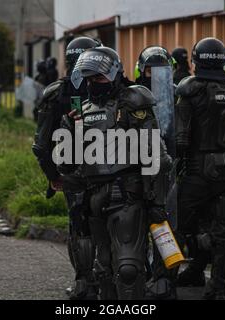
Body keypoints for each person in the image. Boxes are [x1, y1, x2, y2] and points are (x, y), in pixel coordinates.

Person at [59, 46, 173, 299]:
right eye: (89, 79)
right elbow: (67, 166)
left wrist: (156, 200)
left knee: (129, 269)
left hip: (128, 195)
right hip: (94, 198)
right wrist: (71, 132)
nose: (93, 84)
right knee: (104, 269)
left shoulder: (133, 102)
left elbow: (156, 155)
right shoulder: (82, 111)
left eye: (98, 78)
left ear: (115, 74)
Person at [32, 36, 102, 300]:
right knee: (115, 224)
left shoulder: (56, 92)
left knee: (80, 226)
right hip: (112, 170)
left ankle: (85, 284)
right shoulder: (115, 88)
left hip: (73, 171)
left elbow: (40, 145)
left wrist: (54, 176)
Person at [175, 37, 225, 299]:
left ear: (196, 60)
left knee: (170, 223)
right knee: (223, 232)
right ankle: (218, 288)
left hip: (195, 170)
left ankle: (164, 282)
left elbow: (181, 138)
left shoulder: (189, 89)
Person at [134, 45, 178, 299]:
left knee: (164, 225)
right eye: (150, 69)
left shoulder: (176, 95)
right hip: (135, 170)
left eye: (160, 69)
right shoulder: (132, 95)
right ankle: (140, 275)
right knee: (135, 225)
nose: (154, 74)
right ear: (142, 69)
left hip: (166, 168)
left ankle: (164, 279)